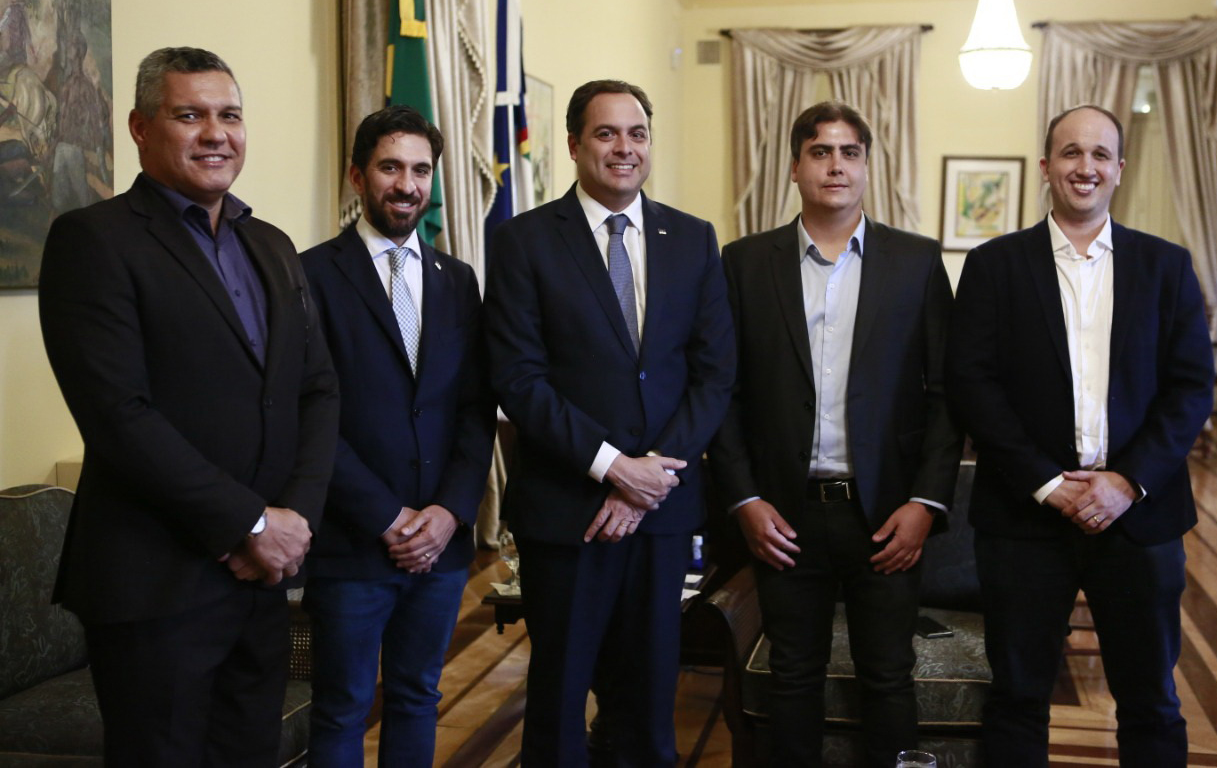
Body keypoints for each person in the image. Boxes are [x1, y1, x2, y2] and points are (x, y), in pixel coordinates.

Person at [37, 46, 339, 766]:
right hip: (156, 585)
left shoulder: (271, 244)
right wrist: (250, 522)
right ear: (141, 128)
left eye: (229, 115)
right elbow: (119, 415)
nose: (216, 133)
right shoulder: (93, 241)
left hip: (263, 581)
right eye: (189, 115)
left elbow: (318, 388)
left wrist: (293, 518)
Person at [947, 104, 1215, 766]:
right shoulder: (993, 265)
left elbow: (1190, 389)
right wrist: (1047, 483)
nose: (1085, 167)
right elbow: (974, 386)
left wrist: (1126, 482)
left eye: (1100, 154)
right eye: (1071, 153)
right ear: (1046, 167)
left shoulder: (1167, 266)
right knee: (1016, 697)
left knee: (1151, 700)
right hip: (1024, 516)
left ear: (1120, 169)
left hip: (1140, 517)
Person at [485, 79, 736, 766]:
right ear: (573, 144)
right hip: (568, 509)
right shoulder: (523, 241)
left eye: (637, 133)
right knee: (561, 695)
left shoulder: (691, 237)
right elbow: (518, 378)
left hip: (661, 510)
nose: (624, 148)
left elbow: (714, 373)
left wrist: (650, 475)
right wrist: (612, 467)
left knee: (651, 695)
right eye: (606, 133)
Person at [709, 101, 961, 767]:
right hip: (783, 514)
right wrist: (744, 499)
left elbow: (947, 396)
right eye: (820, 151)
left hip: (886, 513)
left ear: (867, 166)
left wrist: (925, 503)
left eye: (850, 152)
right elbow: (721, 395)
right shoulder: (742, 263)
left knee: (887, 672)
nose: (836, 165)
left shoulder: (915, 262)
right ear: (795, 167)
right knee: (793, 670)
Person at [299, 105, 494, 766]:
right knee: (343, 704)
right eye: (390, 167)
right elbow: (310, 417)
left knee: (418, 695)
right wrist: (388, 516)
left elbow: (475, 408)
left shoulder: (458, 280)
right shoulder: (309, 276)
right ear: (357, 176)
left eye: (420, 169)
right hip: (351, 541)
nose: (407, 184)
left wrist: (447, 512)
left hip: (441, 547)